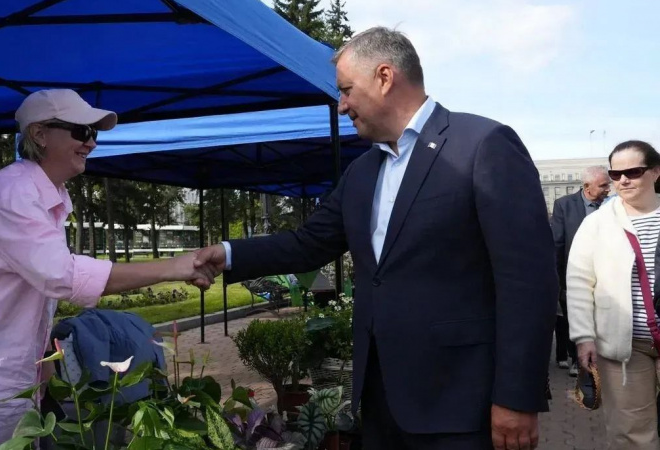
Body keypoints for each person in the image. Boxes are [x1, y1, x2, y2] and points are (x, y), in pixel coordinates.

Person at [194, 27, 557, 450]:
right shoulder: (363, 171)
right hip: (382, 401)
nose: (341, 104)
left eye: (347, 89)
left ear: (385, 77)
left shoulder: (482, 146)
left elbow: (528, 281)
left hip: (462, 401)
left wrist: (517, 396)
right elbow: (308, 243)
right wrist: (228, 253)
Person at [0, 89, 218, 450]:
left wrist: (42, 363)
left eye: (94, 134)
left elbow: (36, 291)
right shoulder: (14, 191)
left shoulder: (46, 197)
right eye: (80, 131)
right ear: (39, 135)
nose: (90, 143)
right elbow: (63, 277)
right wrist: (174, 267)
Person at [568, 140, 660, 448]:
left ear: (655, 172)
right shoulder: (597, 224)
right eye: (616, 173)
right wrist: (584, 337)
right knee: (631, 433)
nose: (623, 180)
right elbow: (580, 281)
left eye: (633, 171)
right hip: (624, 347)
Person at [551, 166, 611, 376]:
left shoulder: (612, 207)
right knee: (572, 318)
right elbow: (557, 243)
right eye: (603, 185)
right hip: (574, 274)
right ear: (586, 187)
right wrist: (557, 281)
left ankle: (602, 358)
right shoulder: (564, 205)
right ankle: (578, 360)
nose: (608, 189)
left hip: (605, 277)